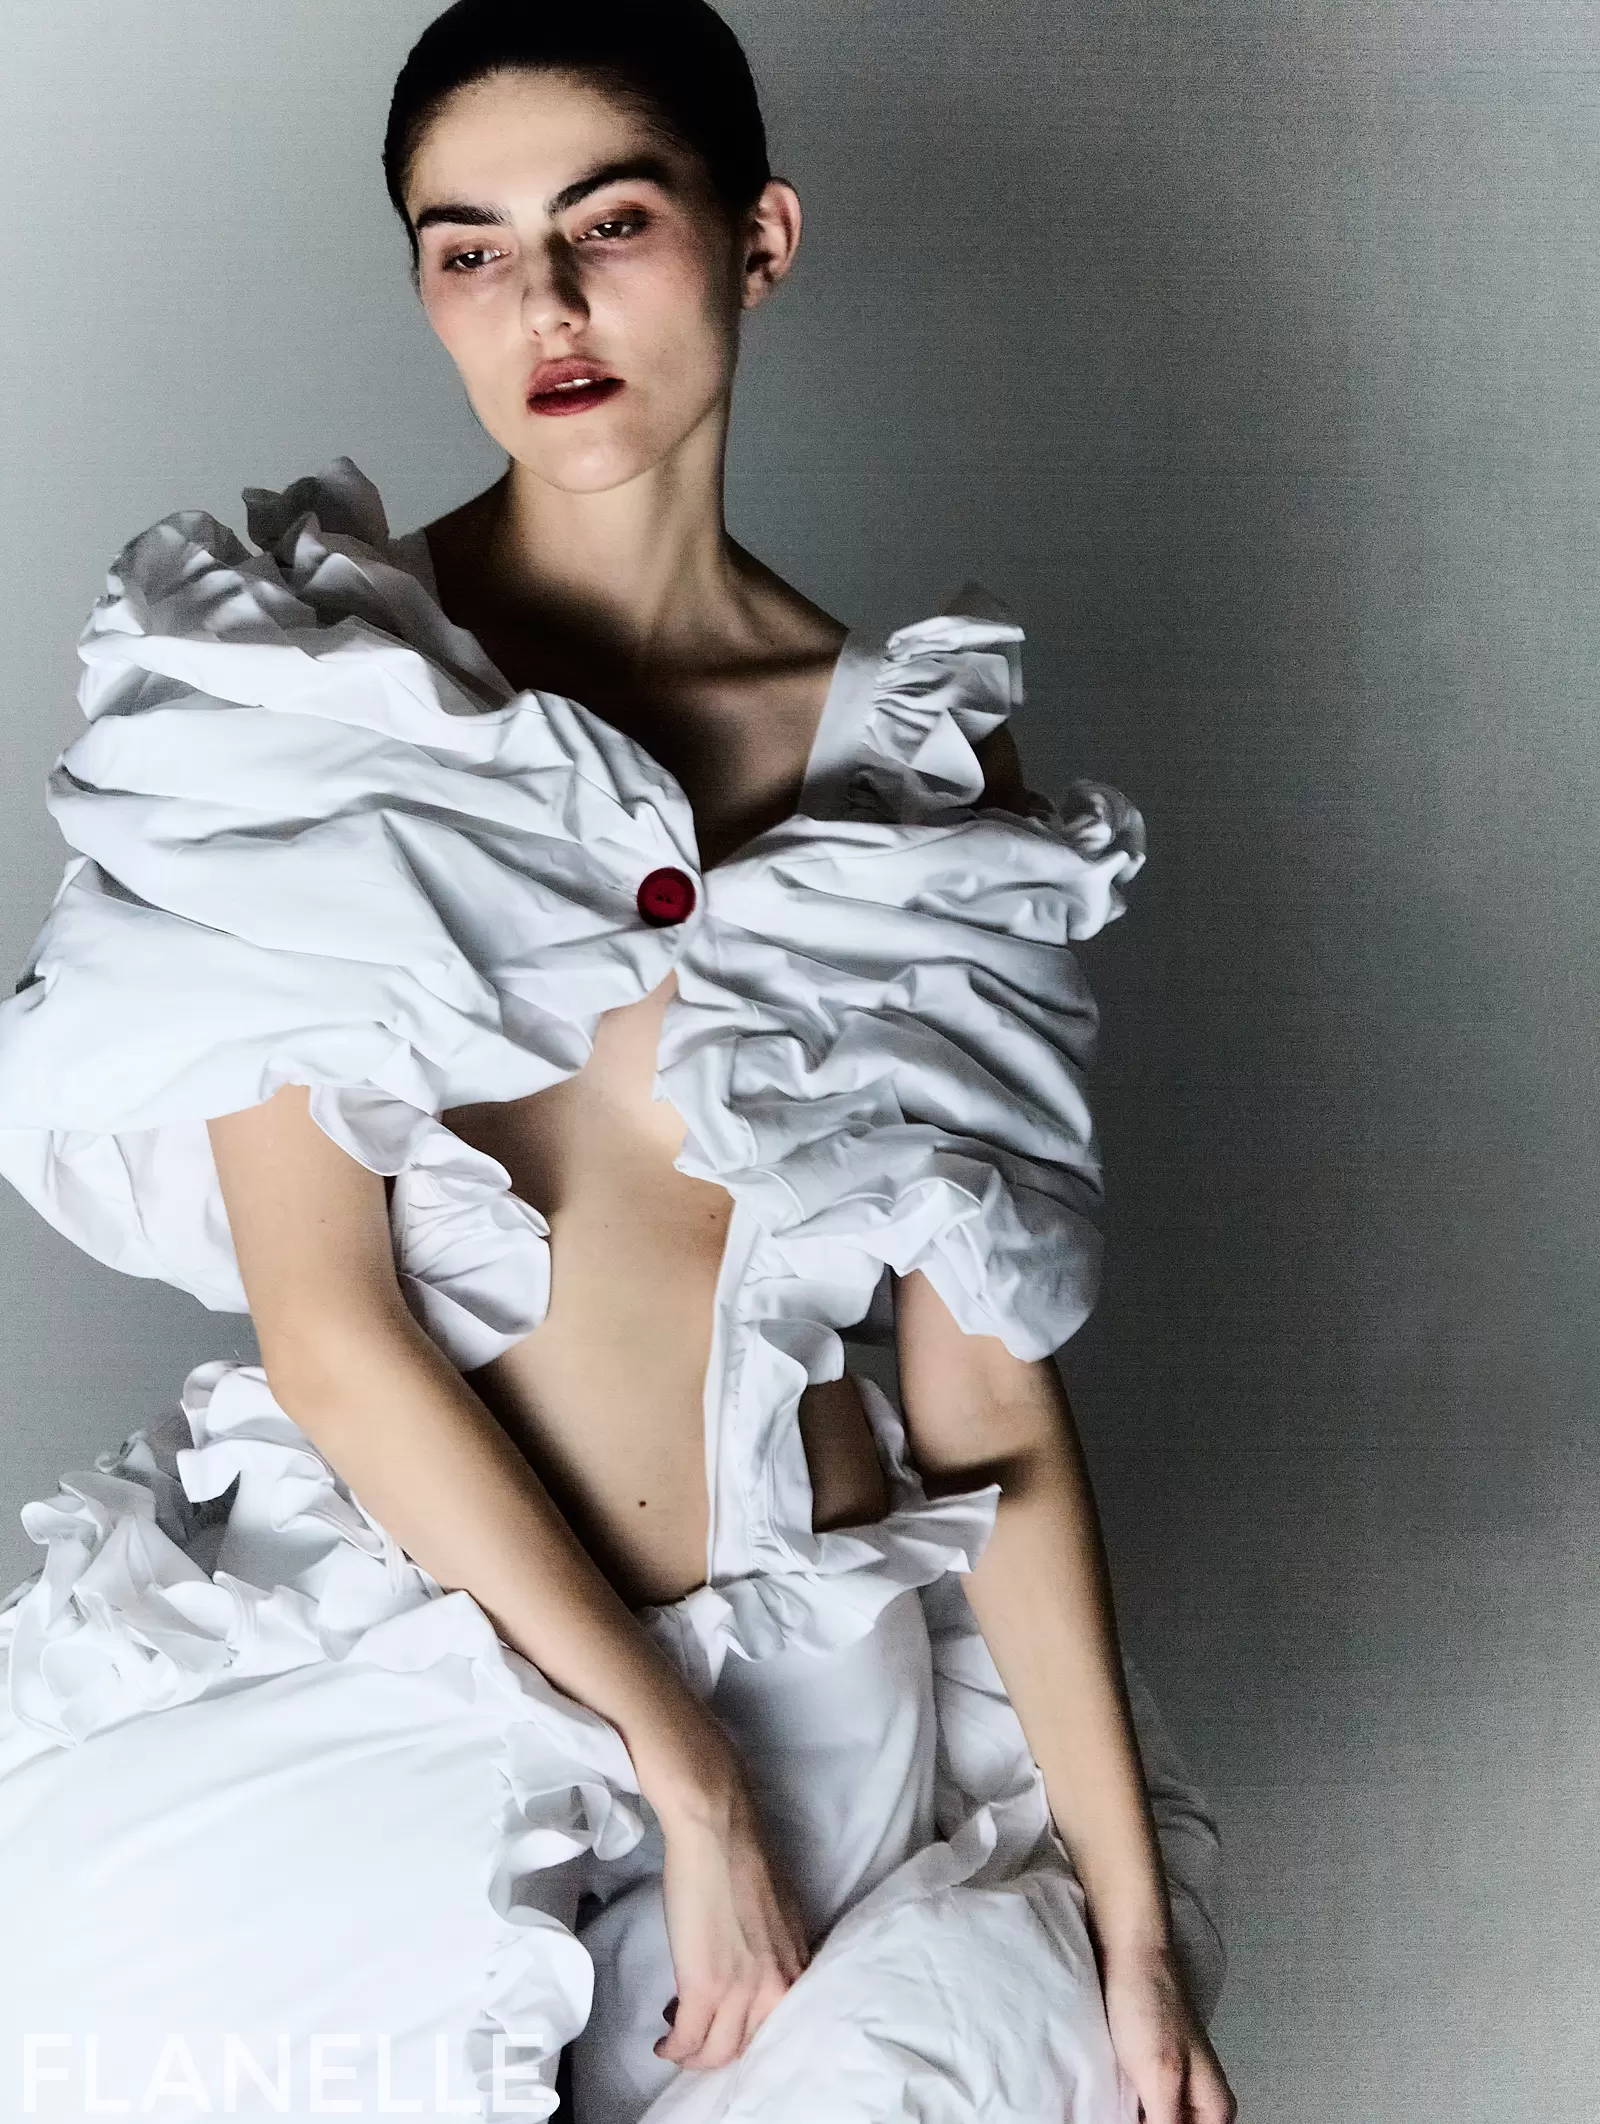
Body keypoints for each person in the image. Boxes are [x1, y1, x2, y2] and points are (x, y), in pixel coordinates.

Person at [0, 4, 1235, 2120]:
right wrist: (683, 1777)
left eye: (612, 222)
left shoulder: (920, 770)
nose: (545, 304)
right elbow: (330, 1327)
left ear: (759, 237)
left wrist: (1131, 1935)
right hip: (402, 1677)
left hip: (822, 1690)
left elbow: (987, 1399)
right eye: (470, 247)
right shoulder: (301, 701)